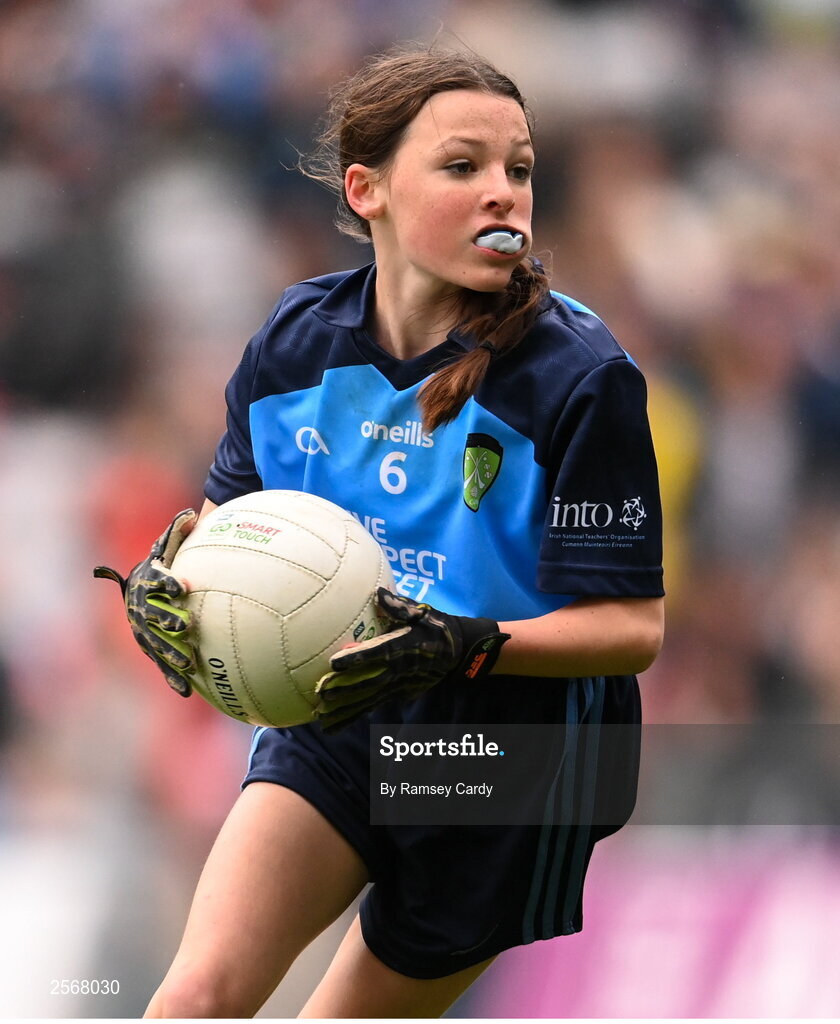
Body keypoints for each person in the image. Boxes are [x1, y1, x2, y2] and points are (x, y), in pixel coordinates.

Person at [95, 44, 665, 1019]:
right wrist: (174, 590)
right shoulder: (296, 339)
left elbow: (633, 628)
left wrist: (466, 647)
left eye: (518, 170)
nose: (503, 194)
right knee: (192, 998)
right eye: (463, 167)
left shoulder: (581, 374)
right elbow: (228, 531)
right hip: (341, 708)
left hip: (508, 764)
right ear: (369, 191)